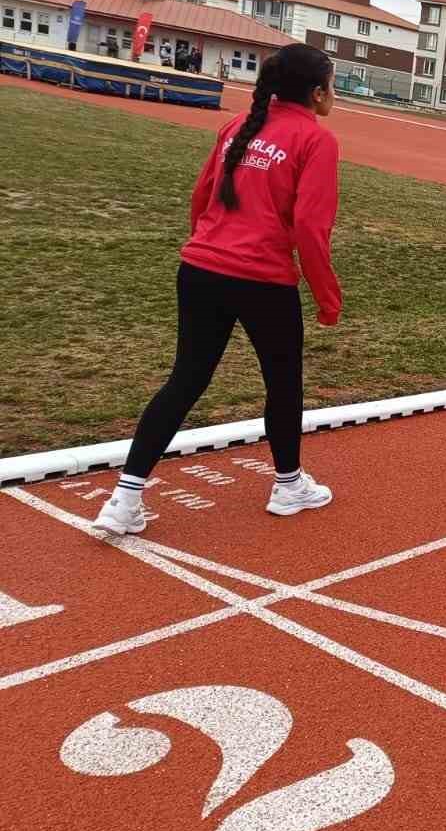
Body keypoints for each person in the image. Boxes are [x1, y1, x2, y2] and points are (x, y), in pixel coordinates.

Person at [91, 44, 343, 536]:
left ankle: (124, 499)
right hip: (262, 280)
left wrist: (207, 247)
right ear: (317, 93)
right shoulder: (316, 139)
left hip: (200, 269)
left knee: (185, 381)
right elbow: (311, 228)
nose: (334, 93)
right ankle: (288, 485)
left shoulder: (237, 127)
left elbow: (201, 197)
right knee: (283, 383)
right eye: (332, 85)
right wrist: (327, 298)